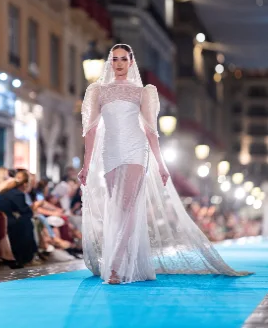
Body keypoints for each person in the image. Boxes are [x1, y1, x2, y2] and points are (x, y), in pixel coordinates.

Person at [78, 44, 252, 284]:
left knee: (127, 207)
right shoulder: (98, 91)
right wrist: (86, 166)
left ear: (131, 62)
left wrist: (161, 164)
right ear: (110, 62)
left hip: (136, 150)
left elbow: (151, 131)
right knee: (116, 209)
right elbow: (91, 131)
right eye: (114, 59)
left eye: (123, 59)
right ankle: (125, 261)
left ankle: (115, 266)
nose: (118, 64)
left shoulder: (143, 92)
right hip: (110, 152)